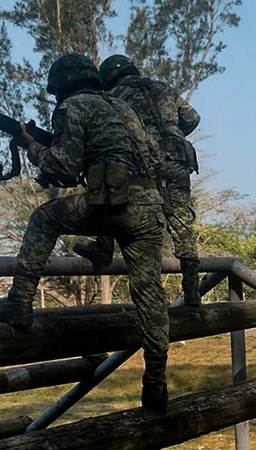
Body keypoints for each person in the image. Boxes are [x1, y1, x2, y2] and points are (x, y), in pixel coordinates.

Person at [0, 53, 171, 413]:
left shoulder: (72, 107)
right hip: (151, 208)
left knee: (43, 219)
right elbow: (152, 157)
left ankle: (19, 302)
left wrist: (31, 145)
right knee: (149, 293)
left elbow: (63, 168)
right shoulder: (124, 109)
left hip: (114, 205)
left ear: (61, 86)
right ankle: (156, 381)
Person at [72, 54, 204, 307]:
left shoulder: (116, 97)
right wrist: (172, 133)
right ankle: (192, 290)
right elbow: (192, 118)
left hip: (146, 161)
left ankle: (104, 247)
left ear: (108, 78)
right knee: (181, 223)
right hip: (179, 159)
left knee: (119, 200)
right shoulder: (163, 88)